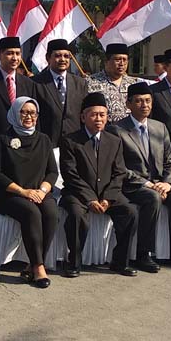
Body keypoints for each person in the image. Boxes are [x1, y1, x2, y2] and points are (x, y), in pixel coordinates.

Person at [108, 83, 171, 272]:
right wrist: (147, 183)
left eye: (147, 101)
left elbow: (170, 161)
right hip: (133, 185)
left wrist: (168, 183)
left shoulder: (160, 127)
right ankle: (143, 254)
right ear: (128, 104)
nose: (144, 105)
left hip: (161, 183)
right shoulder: (117, 129)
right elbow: (119, 167)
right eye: (138, 101)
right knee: (152, 197)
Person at [58, 92, 138, 278]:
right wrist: (90, 199)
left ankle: (119, 261)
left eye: (102, 115)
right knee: (77, 215)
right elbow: (70, 174)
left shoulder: (114, 141)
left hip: (107, 194)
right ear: (83, 116)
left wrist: (108, 199)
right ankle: (74, 262)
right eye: (94, 114)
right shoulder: (70, 141)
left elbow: (119, 173)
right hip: (78, 193)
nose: (99, 119)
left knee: (130, 212)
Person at [0, 96, 58, 288]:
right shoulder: (3, 139)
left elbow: (52, 171)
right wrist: (23, 192)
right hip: (10, 194)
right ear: (15, 113)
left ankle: (33, 263)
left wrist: (42, 191)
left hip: (38, 192)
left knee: (51, 213)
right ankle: (38, 267)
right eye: (24, 112)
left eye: (32, 113)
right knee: (31, 212)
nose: (28, 116)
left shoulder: (43, 139)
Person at [0, 37, 51, 146]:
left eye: (18, 54)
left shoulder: (28, 83)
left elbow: (34, 115)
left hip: (24, 143)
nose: (14, 58)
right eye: (10, 53)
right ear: (0, 55)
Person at [31, 38, 87, 144]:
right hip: (47, 142)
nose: (62, 59)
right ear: (48, 58)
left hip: (74, 143)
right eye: (57, 56)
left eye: (66, 56)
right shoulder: (36, 83)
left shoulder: (80, 83)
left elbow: (84, 113)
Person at [85, 43, 146, 122]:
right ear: (107, 61)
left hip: (129, 131)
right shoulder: (91, 82)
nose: (122, 64)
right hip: (105, 131)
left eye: (125, 60)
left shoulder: (134, 83)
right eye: (117, 60)